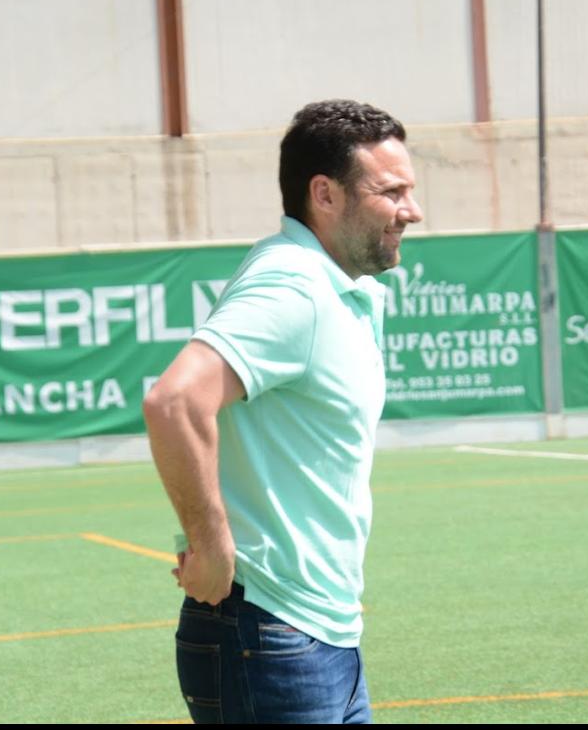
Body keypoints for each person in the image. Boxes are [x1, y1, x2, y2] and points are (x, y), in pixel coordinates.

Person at [142, 99, 423, 724]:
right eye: (392, 192)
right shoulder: (294, 286)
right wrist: (211, 545)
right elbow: (176, 401)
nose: (413, 210)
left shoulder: (340, 286)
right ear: (324, 194)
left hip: (315, 633)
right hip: (269, 636)